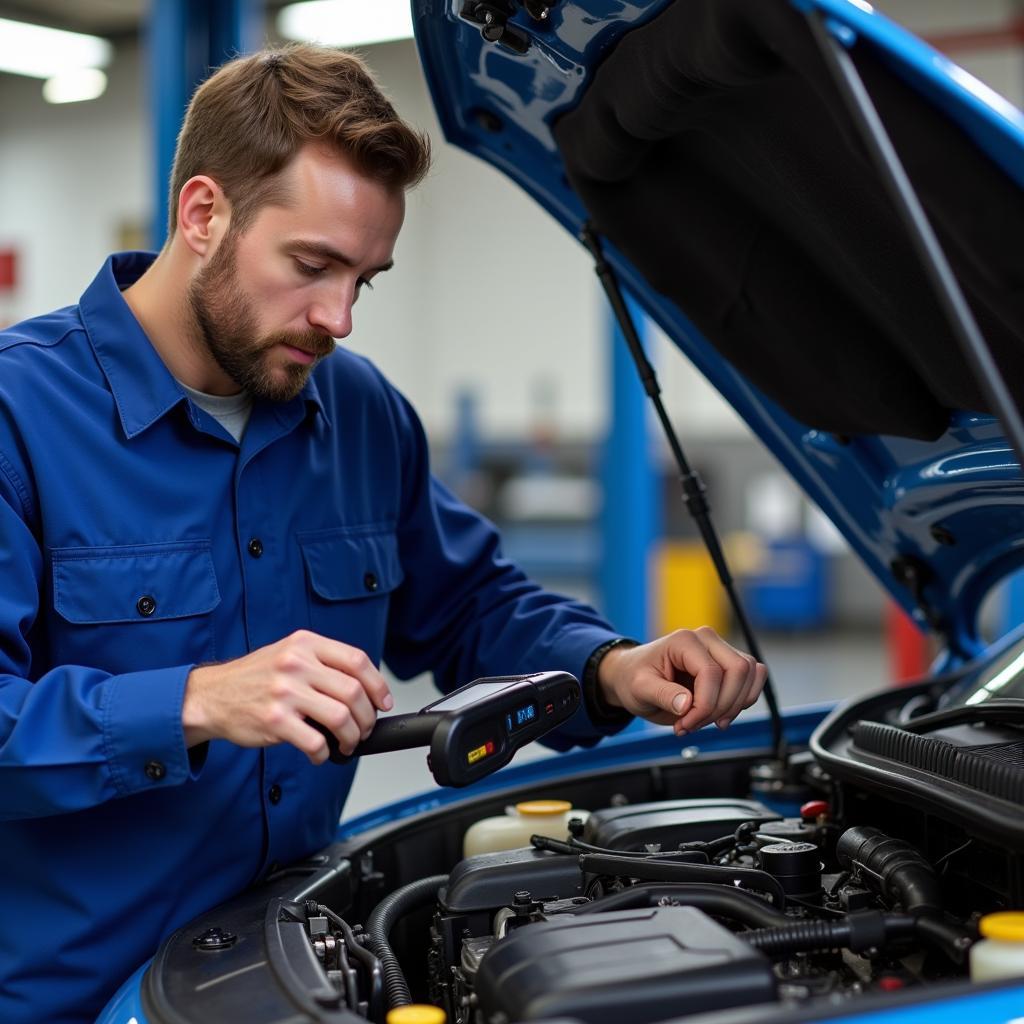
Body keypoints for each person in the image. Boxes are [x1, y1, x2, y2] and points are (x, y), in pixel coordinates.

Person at [0, 44, 767, 1024]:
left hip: (296, 970)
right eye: (312, 266)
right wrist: (193, 700)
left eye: (365, 278)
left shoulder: (357, 412)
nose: (339, 318)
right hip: (73, 998)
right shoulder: (18, 415)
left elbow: (471, 606)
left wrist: (611, 668)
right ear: (202, 214)